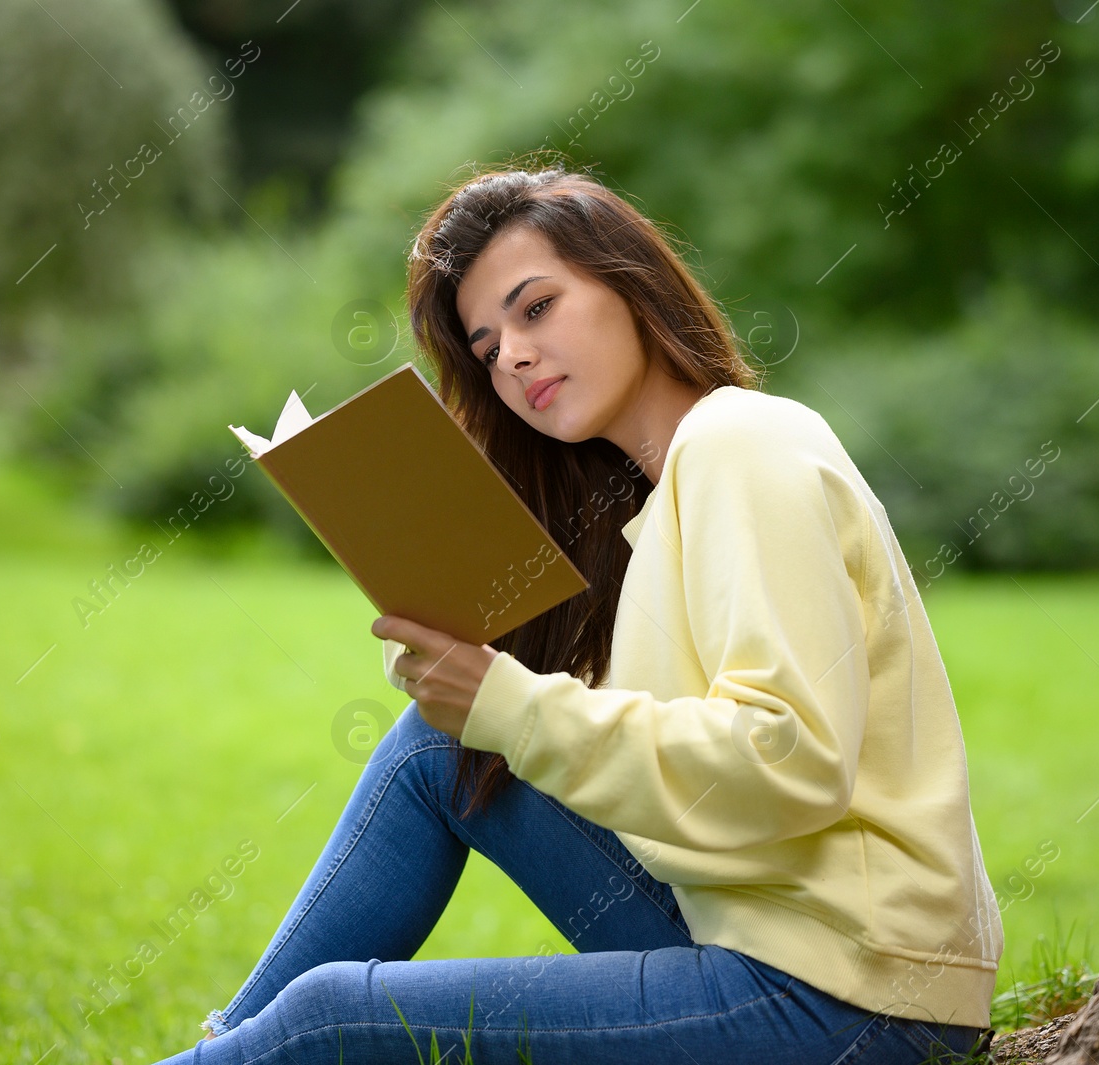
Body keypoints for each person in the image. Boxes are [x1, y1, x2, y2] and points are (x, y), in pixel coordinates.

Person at [150, 163, 1002, 1064]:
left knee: (332, 1019)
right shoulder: (649, 504)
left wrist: (514, 706)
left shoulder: (740, 442)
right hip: (766, 944)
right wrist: (469, 685)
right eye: (486, 347)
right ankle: (225, 1052)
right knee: (442, 750)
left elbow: (789, 757)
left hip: (854, 996)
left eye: (536, 307)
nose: (511, 355)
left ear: (630, 284)